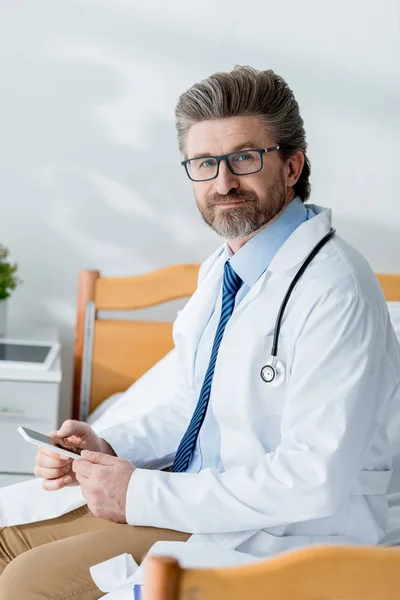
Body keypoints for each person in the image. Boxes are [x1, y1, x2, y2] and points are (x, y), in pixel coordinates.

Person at [1, 65, 399, 599]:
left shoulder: (337, 291)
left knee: (33, 581)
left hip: (281, 530)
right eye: (205, 163)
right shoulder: (224, 270)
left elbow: (313, 479)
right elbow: (195, 404)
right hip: (196, 500)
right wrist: (109, 445)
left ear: (292, 165)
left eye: (244, 158)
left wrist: (140, 491)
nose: (223, 182)